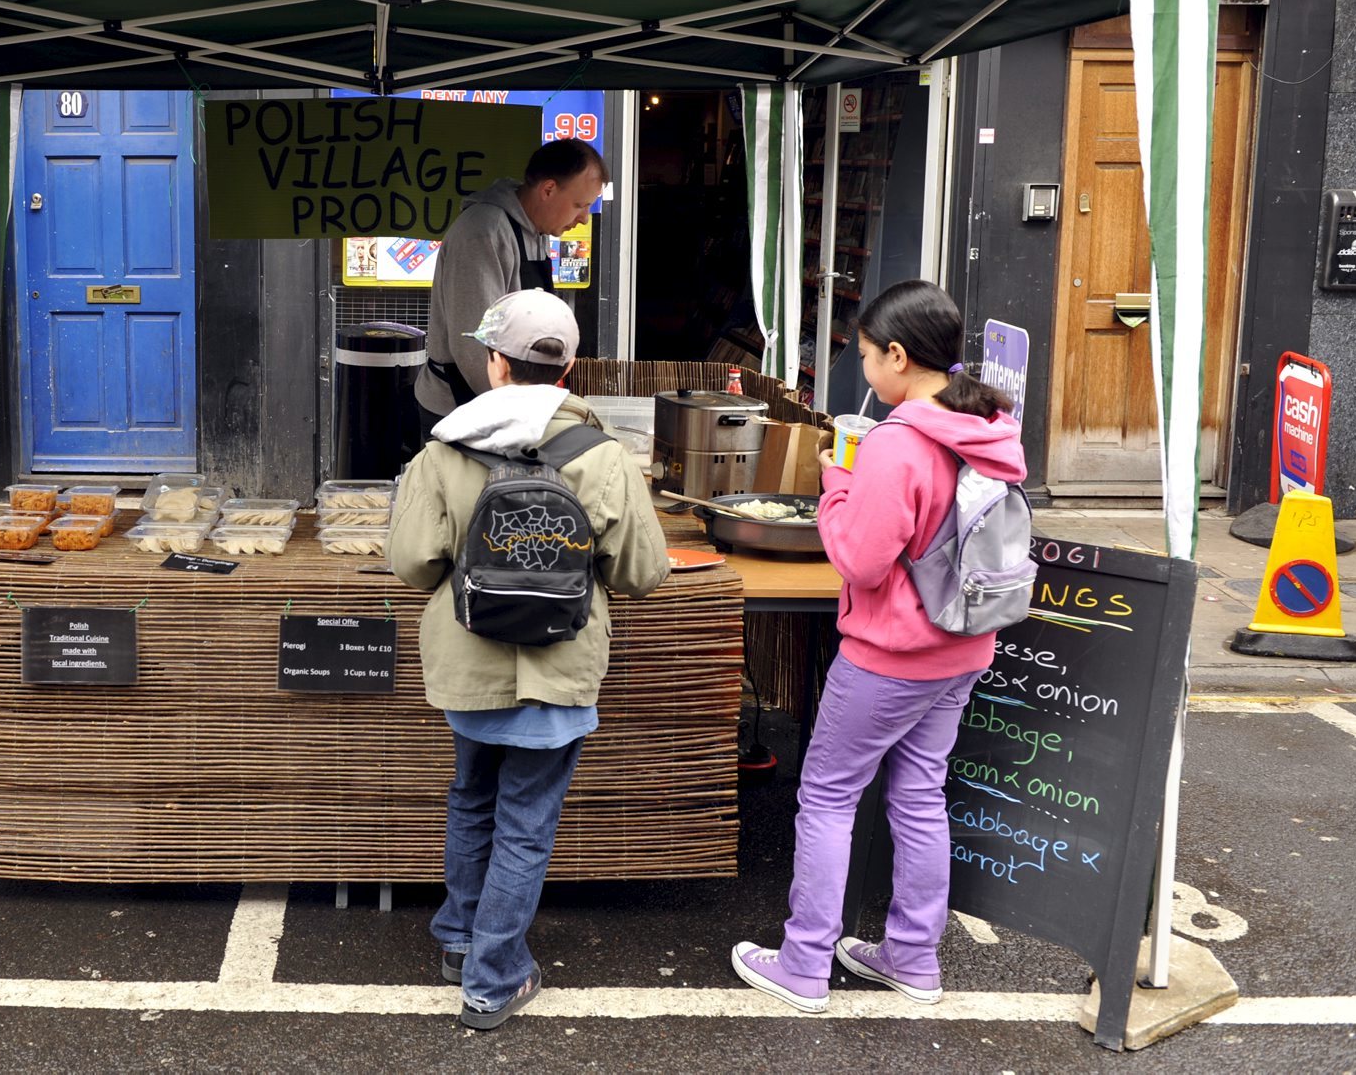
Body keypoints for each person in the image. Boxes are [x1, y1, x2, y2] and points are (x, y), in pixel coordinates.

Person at [732, 280, 1025, 1014]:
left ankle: (804, 964)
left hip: (889, 652)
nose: (862, 369)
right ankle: (912, 957)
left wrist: (837, 490)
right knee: (921, 795)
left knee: (828, 796)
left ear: (897, 355)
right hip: (963, 644)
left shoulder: (899, 442)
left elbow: (861, 561)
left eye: (865, 355)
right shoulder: (988, 427)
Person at [387, 288, 669, 1030]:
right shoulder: (602, 453)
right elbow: (642, 571)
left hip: (467, 662)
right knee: (525, 823)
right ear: (570, 365)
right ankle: (493, 979)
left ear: (493, 364)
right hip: (560, 670)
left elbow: (414, 564)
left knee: (472, 795)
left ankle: (459, 938)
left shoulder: (445, 448)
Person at [414, 139, 607, 435]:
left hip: (509, 405)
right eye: (580, 205)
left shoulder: (535, 230)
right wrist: (522, 418)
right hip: (460, 412)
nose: (584, 218)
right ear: (548, 190)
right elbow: (473, 346)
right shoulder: (482, 232)